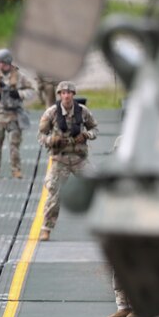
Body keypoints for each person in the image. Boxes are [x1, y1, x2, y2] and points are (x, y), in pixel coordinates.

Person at [37, 82, 98, 241]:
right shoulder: (51, 113)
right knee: (54, 194)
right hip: (60, 159)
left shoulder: (83, 112)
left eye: (70, 92)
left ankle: (102, 227)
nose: (67, 95)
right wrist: (52, 140)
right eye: (63, 93)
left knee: (97, 190)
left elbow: (95, 129)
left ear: (73, 95)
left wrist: (86, 135)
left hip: (79, 159)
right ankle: (46, 229)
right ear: (59, 95)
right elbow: (41, 136)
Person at [0, 48, 36, 179]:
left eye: (2, 62)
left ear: (8, 62)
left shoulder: (20, 77)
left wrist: (19, 94)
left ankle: (16, 170)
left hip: (14, 115)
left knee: (14, 146)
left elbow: (31, 91)